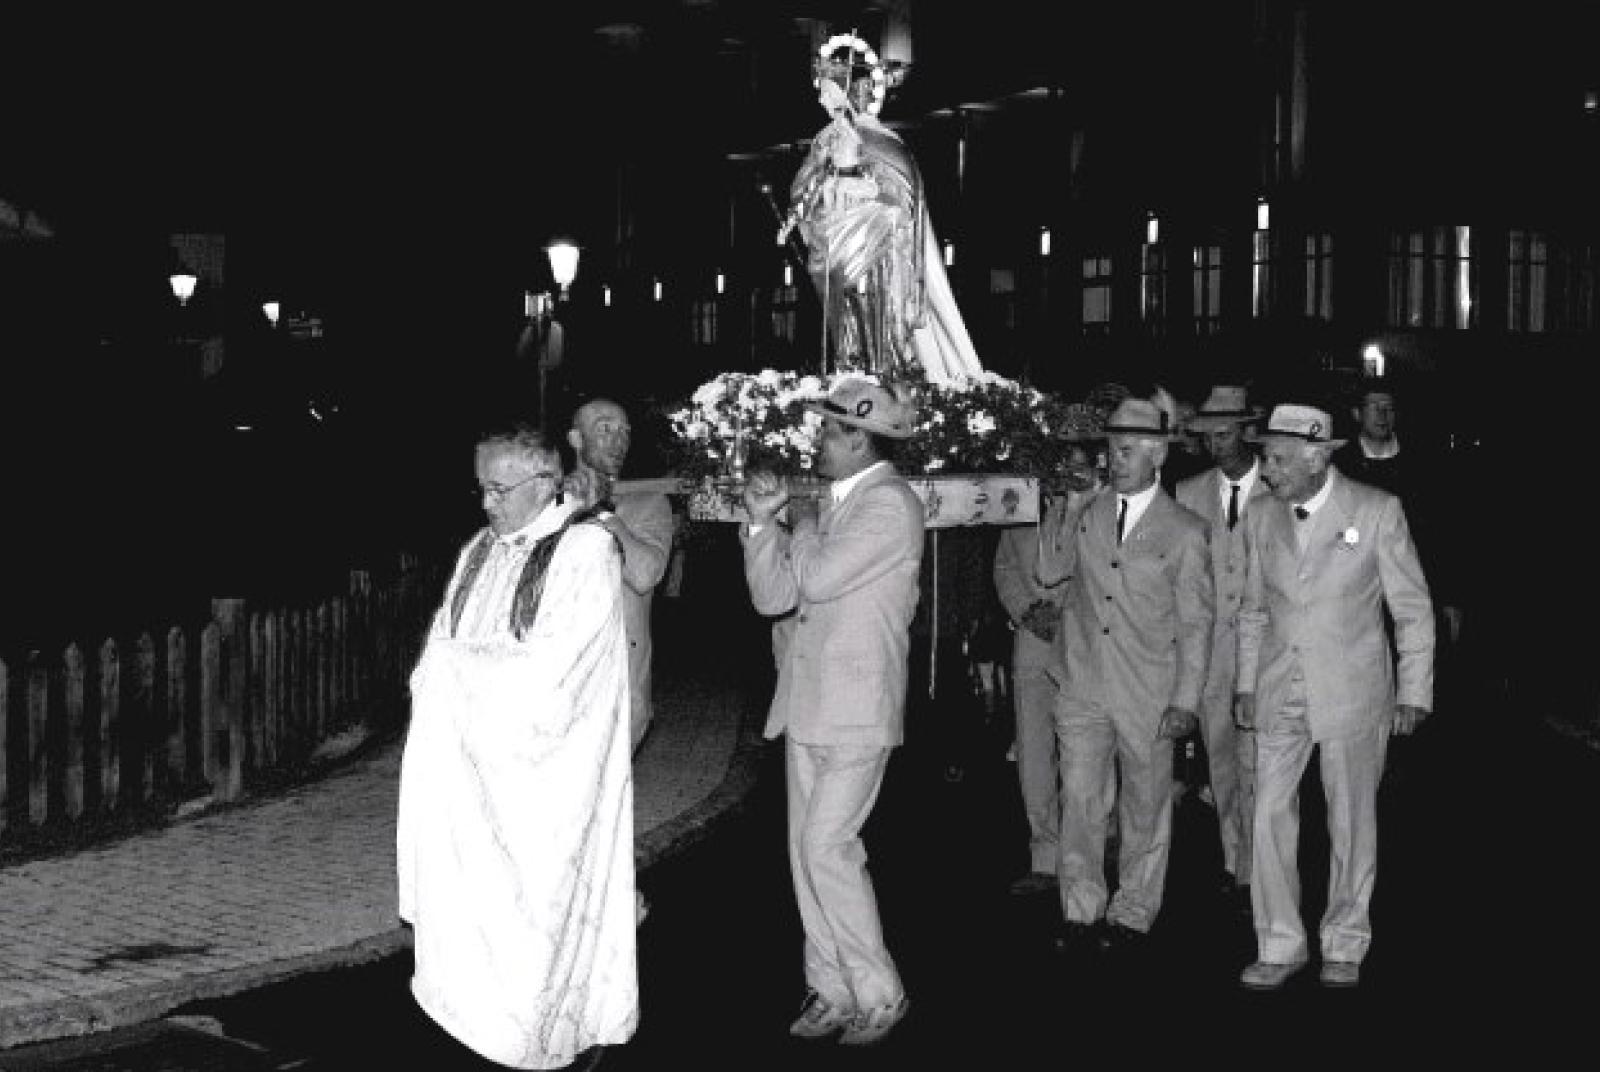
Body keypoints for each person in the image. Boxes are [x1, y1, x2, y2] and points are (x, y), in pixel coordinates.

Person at [396, 423, 636, 1069]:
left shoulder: (586, 551)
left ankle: (550, 1041)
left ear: (544, 483)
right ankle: (480, 1033)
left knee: (537, 936)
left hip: (545, 783)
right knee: (473, 924)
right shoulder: (479, 548)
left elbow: (559, 672)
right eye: (480, 488)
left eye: (497, 489)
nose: (486, 503)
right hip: (474, 779)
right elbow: (441, 642)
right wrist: (445, 676)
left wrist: (453, 673)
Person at [741, 377, 923, 1046]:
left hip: (858, 706)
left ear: (858, 438)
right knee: (804, 853)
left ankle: (881, 994)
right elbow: (773, 598)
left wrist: (804, 521)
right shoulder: (835, 506)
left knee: (828, 848)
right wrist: (763, 523)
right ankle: (832, 987)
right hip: (808, 704)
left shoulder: (888, 506)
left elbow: (815, 578)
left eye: (828, 430)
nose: (817, 441)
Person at [1235, 404, 1435, 991]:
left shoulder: (1377, 511)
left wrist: (1415, 691)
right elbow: (1251, 609)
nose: (1265, 468)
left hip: (1352, 690)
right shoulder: (1260, 515)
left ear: (1316, 455)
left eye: (1274, 458)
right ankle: (1279, 943)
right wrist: (1246, 684)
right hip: (1277, 688)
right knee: (1267, 811)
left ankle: (1345, 941)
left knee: (1351, 821)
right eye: (1265, 456)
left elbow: (1412, 609)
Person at [1037, 396, 1214, 956]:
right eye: (1113, 447)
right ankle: (1079, 910)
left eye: (1130, 448)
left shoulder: (1185, 530)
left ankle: (1134, 910)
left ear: (1158, 453)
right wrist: (1067, 510)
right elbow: (1049, 572)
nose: (1117, 458)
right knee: (1082, 802)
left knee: (1144, 806)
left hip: (1150, 690)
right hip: (1084, 682)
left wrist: (1186, 699)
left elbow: (1197, 623)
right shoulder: (1088, 511)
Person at [780, 35, 982, 384]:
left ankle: (879, 368)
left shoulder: (879, 140)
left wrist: (861, 189)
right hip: (834, 238)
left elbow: (901, 192)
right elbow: (804, 184)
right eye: (822, 90)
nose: (823, 97)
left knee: (867, 300)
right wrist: (800, 208)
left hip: (873, 239)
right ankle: (849, 365)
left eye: (829, 88)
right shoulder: (824, 138)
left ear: (847, 89)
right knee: (839, 302)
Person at [993, 435, 1103, 895]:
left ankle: (1093, 845)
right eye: (1060, 463)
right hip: (1033, 640)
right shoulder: (1024, 505)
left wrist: (1067, 612)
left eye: (1076, 464)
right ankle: (1044, 852)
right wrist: (1025, 611)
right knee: (1034, 751)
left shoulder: (1103, 508)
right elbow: (1003, 568)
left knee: (1086, 752)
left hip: (1083, 642)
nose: (1067, 473)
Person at [1174, 385, 1269, 915]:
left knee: (1262, 764)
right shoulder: (1187, 494)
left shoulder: (1277, 492)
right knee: (1224, 765)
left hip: (1265, 653)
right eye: (1208, 436)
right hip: (1210, 656)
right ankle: (1236, 860)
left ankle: (1262, 869)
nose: (1216, 445)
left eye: (1225, 434)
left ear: (1247, 432)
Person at [568, 397, 676, 754]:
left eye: (625, 432)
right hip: (553, 685)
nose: (619, 440)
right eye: (605, 430)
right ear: (576, 439)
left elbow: (646, 575)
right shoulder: (544, 501)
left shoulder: (649, 503)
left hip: (617, 694)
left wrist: (602, 516)